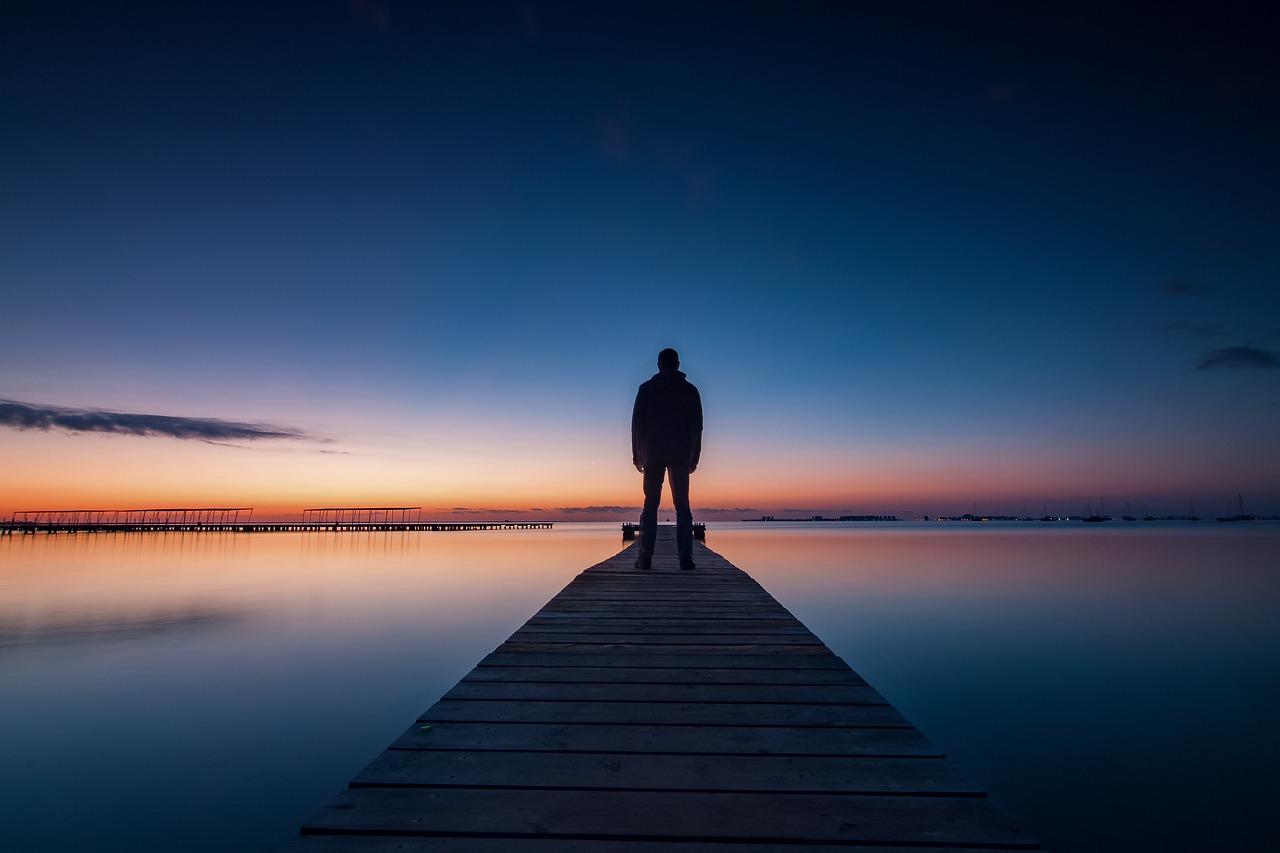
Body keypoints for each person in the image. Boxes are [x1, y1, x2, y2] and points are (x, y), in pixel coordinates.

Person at [631, 348, 703, 570]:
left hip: (652, 451)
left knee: (650, 505)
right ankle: (685, 559)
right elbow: (697, 426)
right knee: (682, 506)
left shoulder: (646, 389)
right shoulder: (689, 390)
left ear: (659, 364)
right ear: (678, 364)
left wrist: (637, 453)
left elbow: (636, 425)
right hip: (680, 451)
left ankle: (645, 558)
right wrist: (695, 454)